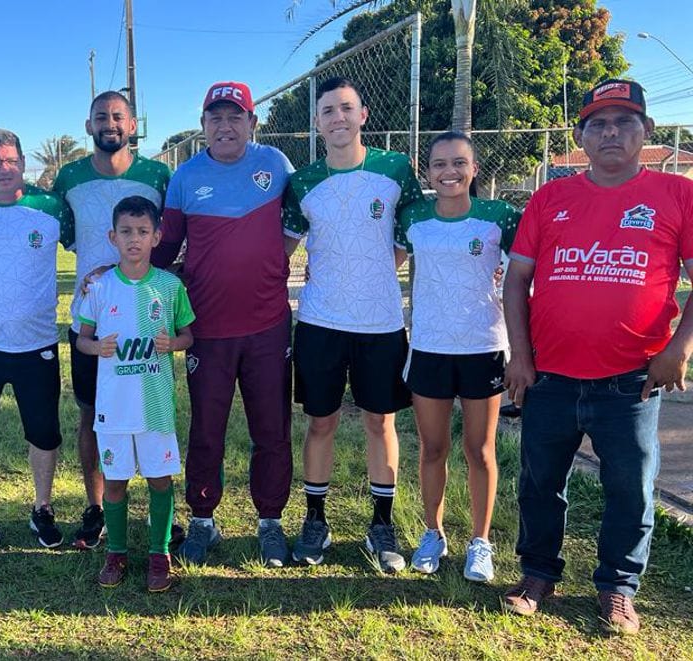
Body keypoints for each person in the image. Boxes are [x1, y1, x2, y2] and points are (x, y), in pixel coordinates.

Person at [502, 79, 693, 636]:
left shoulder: (677, 195)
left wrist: (678, 349)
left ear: (647, 132)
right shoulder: (549, 199)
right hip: (550, 376)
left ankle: (617, 589)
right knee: (539, 483)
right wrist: (520, 355)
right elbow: (517, 283)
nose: (611, 132)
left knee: (630, 488)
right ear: (581, 136)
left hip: (630, 382)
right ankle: (537, 574)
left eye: (624, 122)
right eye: (598, 124)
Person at [282, 77, 423, 571]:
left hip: (381, 322)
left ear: (363, 115)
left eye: (346, 108)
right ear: (317, 123)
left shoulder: (396, 168)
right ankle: (315, 520)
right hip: (320, 321)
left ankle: (381, 526)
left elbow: (409, 234)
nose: (337, 118)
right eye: (327, 111)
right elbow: (282, 250)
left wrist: (375, 275)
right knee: (320, 421)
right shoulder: (301, 182)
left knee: (380, 421)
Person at [152, 81, 295, 567]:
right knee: (206, 428)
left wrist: (273, 263)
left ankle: (271, 521)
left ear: (253, 123)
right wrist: (120, 275)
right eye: (215, 117)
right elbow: (166, 248)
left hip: (268, 326)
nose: (225, 125)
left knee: (271, 429)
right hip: (207, 328)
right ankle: (203, 520)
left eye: (235, 116)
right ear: (203, 126)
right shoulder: (185, 177)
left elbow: (302, 222)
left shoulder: (276, 165)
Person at [396, 131, 520, 582]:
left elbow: (525, 270)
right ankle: (433, 533)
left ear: (474, 169)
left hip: (483, 348)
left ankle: (480, 541)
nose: (449, 172)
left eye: (458, 163)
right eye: (439, 164)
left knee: (480, 449)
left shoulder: (499, 216)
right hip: (429, 348)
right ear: (427, 172)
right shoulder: (412, 218)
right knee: (432, 448)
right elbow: (384, 260)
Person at [54, 91, 172, 549]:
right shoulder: (69, 178)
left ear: (133, 124)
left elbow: (171, 239)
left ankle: (158, 510)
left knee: (152, 412)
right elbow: (68, 238)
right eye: (101, 116)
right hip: (93, 322)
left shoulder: (158, 175)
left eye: (118, 116)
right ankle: (98, 508)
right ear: (89, 126)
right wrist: (100, 275)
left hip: (148, 321)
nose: (110, 123)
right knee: (92, 415)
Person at [0, 129, 73, 550]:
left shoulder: (51, 207)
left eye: (10, 160)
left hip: (37, 344)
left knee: (43, 432)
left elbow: (90, 246)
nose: (3, 169)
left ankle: (41, 509)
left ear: (23, 163)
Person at [76, 195, 195, 591]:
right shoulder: (100, 286)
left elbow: (188, 335)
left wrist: (173, 345)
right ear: (113, 236)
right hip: (113, 407)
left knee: (160, 479)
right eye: (126, 232)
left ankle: (159, 555)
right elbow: (81, 341)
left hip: (155, 406)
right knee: (115, 482)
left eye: (143, 232)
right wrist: (97, 348)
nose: (134, 240)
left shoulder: (169, 286)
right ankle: (117, 553)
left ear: (157, 236)